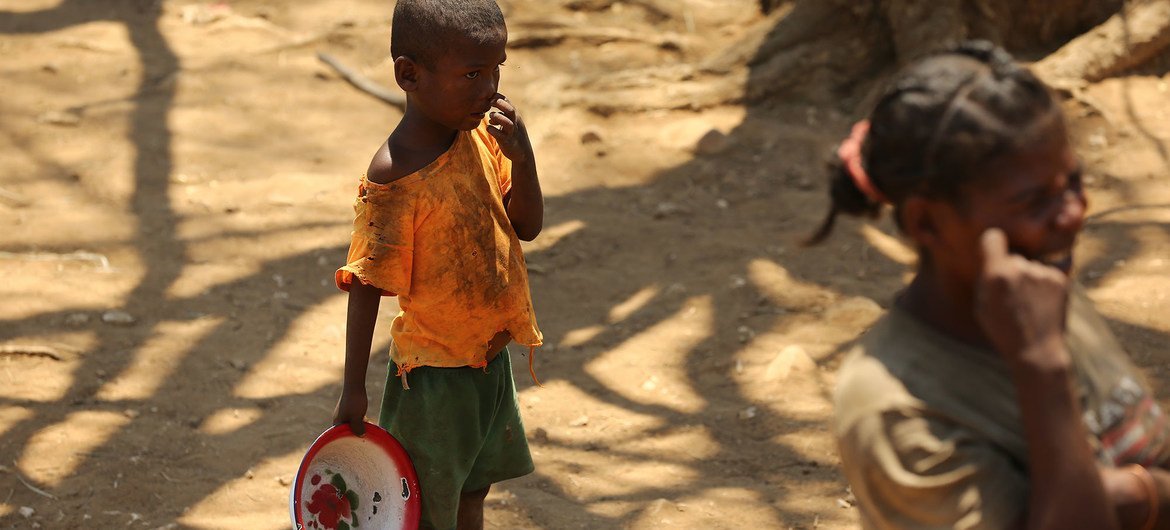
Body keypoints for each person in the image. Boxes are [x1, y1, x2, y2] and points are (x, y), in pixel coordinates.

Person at [810, 41, 1170, 529]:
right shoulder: (893, 409)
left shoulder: (1037, 282)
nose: (1073, 213)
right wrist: (1040, 365)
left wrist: (1133, 495)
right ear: (927, 224)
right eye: (1032, 202)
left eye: (1073, 181)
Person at [330, 1, 544, 528]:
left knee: (474, 490)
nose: (490, 86)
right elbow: (367, 282)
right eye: (472, 73)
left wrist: (524, 155)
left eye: (496, 68)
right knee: (426, 507)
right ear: (409, 74)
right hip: (432, 381)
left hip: (489, 364)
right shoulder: (395, 175)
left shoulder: (481, 138)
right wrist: (353, 386)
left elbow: (527, 226)